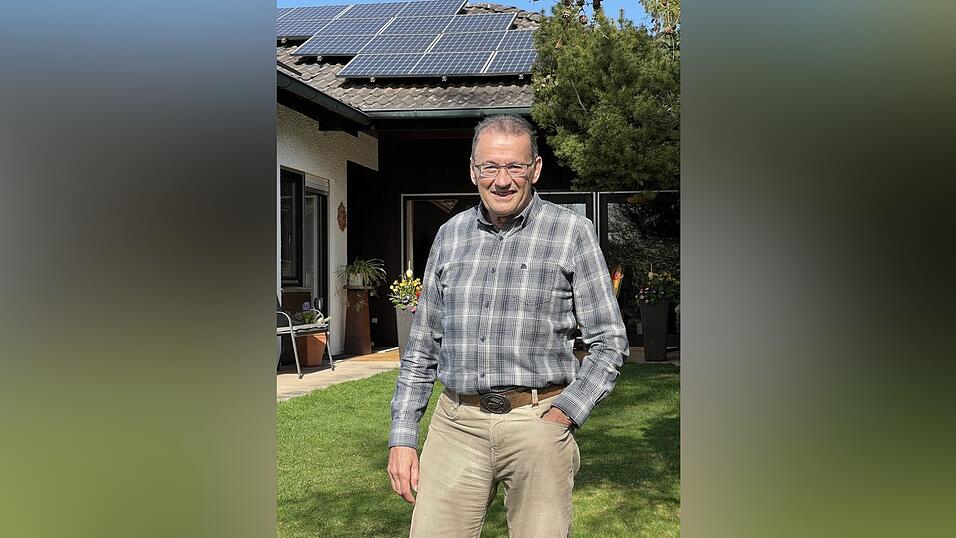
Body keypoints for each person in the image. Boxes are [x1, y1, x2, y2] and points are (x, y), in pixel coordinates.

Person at [387, 115, 629, 537]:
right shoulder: (449, 235)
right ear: (473, 171)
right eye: (490, 167)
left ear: (535, 169)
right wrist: (404, 435)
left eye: (514, 166)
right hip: (457, 423)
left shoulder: (571, 233)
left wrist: (566, 412)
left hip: (537, 421)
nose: (502, 180)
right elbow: (422, 349)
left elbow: (609, 341)